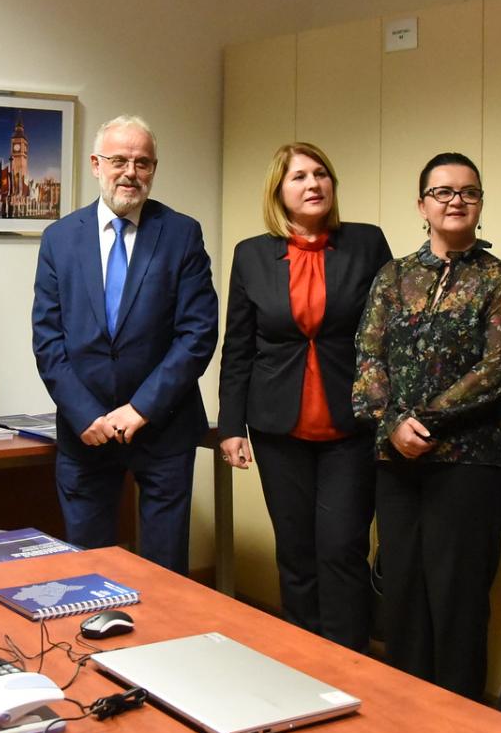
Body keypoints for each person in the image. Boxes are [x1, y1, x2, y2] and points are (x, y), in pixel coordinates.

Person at [353, 152, 501, 698]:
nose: (456, 201)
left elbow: (495, 369)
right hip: (397, 462)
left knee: (457, 601)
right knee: (401, 594)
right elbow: (367, 357)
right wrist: (392, 425)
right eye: (443, 191)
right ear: (422, 204)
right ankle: (406, 719)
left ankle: (459, 729)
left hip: (471, 463)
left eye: (468, 192)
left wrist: (419, 422)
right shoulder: (394, 275)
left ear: (479, 203)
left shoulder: (499, 279)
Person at [216, 142, 390, 648]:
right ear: (279, 190)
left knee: (341, 548)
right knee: (294, 551)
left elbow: (388, 332)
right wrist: (231, 426)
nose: (313, 184)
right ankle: (304, 659)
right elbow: (239, 346)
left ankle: (351, 662)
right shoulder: (252, 254)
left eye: (321, 174)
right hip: (277, 425)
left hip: (350, 425)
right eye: (299, 177)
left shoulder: (366, 243)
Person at [32, 115, 218, 573]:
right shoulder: (60, 239)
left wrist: (140, 409)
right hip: (86, 430)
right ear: (96, 165)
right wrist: (85, 414)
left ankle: (164, 645)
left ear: (154, 169)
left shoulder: (181, 234)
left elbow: (197, 333)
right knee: (88, 566)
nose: (130, 172)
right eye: (119, 160)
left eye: (143, 162)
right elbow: (47, 338)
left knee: (166, 570)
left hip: (162, 426)